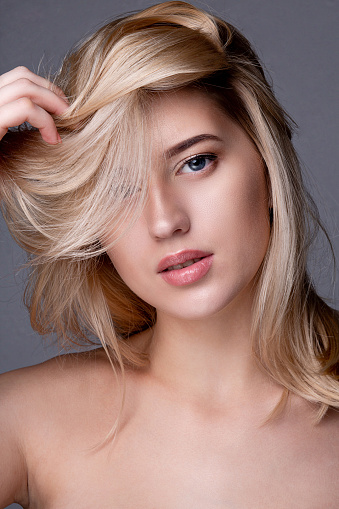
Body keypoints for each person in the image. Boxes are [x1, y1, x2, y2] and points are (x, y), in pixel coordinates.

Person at [0, 1, 338, 507]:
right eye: (116, 186)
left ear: (268, 166)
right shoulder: (23, 418)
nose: (164, 221)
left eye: (196, 162)